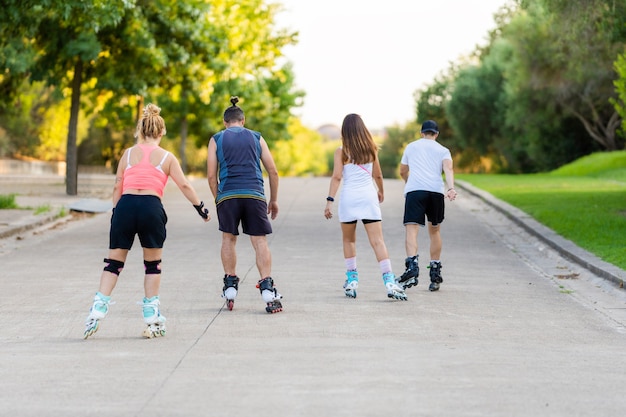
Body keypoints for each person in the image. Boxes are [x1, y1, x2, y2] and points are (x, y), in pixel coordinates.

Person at [83, 103, 210, 339]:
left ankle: (97, 308)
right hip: (151, 208)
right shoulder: (167, 157)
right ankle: (152, 317)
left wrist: (115, 213)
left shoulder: (128, 154)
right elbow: (184, 184)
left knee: (113, 264)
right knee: (152, 265)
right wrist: (200, 208)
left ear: (141, 130)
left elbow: (117, 184)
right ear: (161, 132)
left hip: (126, 206)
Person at [207, 96, 283, 313]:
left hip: (228, 195)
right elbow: (273, 171)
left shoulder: (216, 139)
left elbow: (211, 176)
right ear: (243, 120)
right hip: (255, 195)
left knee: (228, 239)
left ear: (225, 122)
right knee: (259, 242)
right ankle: (267, 288)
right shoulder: (257, 137)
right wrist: (274, 199)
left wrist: (218, 198)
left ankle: (230, 285)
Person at [324, 113, 407, 301]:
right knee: (378, 241)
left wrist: (329, 200)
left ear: (344, 131)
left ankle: (352, 280)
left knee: (349, 241)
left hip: (349, 200)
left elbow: (337, 177)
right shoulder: (371, 150)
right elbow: (378, 175)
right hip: (368, 198)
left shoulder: (341, 151)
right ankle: (389, 282)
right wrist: (381, 191)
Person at [398, 119, 456, 292]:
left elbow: (402, 170)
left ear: (421, 133)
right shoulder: (443, 150)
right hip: (436, 192)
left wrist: (409, 183)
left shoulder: (411, 146)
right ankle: (435, 273)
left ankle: (412, 267)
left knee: (411, 229)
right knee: (435, 230)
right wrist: (451, 188)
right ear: (436, 134)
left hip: (415, 191)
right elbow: (449, 169)